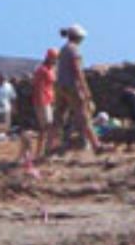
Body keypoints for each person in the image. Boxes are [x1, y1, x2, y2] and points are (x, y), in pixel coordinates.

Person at [52, 24, 103, 154]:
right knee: (83, 116)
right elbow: (77, 71)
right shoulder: (74, 50)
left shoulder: (63, 49)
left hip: (60, 86)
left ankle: (50, 146)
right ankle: (96, 145)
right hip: (71, 87)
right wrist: (85, 89)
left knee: (58, 117)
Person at [31, 49, 58, 160]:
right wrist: (42, 103)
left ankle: (42, 151)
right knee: (47, 127)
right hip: (43, 102)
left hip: (49, 101)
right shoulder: (42, 70)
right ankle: (44, 152)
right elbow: (39, 88)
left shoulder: (51, 70)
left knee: (46, 128)